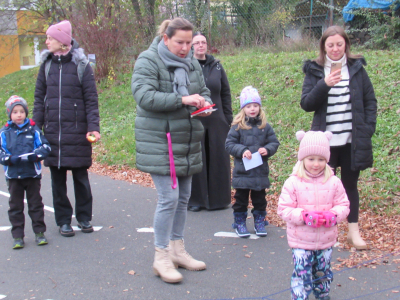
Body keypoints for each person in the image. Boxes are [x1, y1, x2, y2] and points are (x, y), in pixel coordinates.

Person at [131, 18, 212, 284]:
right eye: (180, 42)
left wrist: (205, 103)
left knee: (184, 197)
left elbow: (203, 90)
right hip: (160, 141)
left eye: (189, 43)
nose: (185, 48)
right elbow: (144, 96)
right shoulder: (148, 60)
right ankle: (161, 256)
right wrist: (182, 99)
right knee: (169, 198)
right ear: (166, 39)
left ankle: (177, 250)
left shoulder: (191, 63)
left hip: (186, 140)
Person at [300, 25, 377, 250]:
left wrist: (367, 129)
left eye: (339, 44)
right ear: (324, 47)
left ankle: (353, 233)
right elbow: (306, 104)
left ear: (346, 45)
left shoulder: (356, 69)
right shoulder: (315, 70)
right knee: (323, 188)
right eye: (330, 45)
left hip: (352, 142)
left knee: (350, 185)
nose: (335, 49)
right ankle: (325, 234)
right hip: (325, 144)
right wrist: (325, 85)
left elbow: (370, 101)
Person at [33, 20, 100, 237]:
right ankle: (63, 221)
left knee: (81, 178)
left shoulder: (82, 67)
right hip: (53, 133)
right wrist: (35, 129)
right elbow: (38, 99)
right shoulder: (46, 66)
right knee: (57, 180)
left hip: (79, 133)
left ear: (62, 41)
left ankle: (84, 218)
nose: (47, 41)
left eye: (50, 38)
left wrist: (93, 128)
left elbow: (91, 100)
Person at [278, 130, 350, 300]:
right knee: (302, 274)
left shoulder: (333, 182)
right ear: (302, 159)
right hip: (301, 241)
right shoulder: (293, 182)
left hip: (326, 240)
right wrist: (304, 216)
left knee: (323, 273)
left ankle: (323, 295)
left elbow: (344, 205)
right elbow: (284, 209)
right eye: (311, 159)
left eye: (321, 159)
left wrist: (334, 215)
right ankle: (299, 297)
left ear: (327, 160)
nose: (316, 164)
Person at [225, 86, 279, 238]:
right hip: (242, 172)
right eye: (249, 106)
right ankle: (240, 222)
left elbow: (274, 142)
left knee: (260, 200)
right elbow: (229, 144)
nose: (252, 109)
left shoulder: (265, 127)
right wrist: (242, 150)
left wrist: (267, 150)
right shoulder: (237, 127)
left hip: (260, 172)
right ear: (243, 108)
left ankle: (260, 221)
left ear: (259, 107)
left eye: (255, 105)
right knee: (241, 200)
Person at [188, 32, 233, 212]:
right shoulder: (186, 67)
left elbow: (225, 94)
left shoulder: (217, 67)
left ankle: (219, 200)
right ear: (192, 46)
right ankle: (196, 200)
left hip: (217, 121)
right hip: (195, 120)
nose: (200, 45)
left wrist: (227, 119)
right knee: (197, 159)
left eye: (203, 42)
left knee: (218, 159)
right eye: (197, 43)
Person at [0, 96, 51, 249]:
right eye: (15, 112)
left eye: (22, 111)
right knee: (15, 207)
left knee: (35, 205)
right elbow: (1, 152)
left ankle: (39, 233)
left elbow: (46, 147)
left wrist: (36, 155)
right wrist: (9, 159)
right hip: (14, 176)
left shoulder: (34, 130)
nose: (19, 114)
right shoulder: (5, 132)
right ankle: (17, 236)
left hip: (32, 174)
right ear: (10, 113)